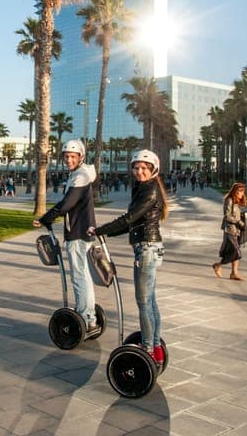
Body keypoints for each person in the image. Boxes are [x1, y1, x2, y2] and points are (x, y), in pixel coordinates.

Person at [89, 149, 167, 365]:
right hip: (148, 247)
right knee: (150, 301)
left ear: (152, 170)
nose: (139, 171)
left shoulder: (149, 191)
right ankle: (156, 348)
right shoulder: (145, 188)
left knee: (143, 301)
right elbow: (133, 223)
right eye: (136, 167)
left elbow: (129, 218)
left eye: (144, 168)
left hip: (147, 248)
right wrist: (105, 232)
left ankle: (149, 349)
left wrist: (101, 229)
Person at [33, 140, 98, 332]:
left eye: (72, 157)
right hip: (81, 230)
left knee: (79, 277)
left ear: (81, 157)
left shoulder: (80, 176)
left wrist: (46, 218)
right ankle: (89, 315)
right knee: (83, 276)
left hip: (78, 233)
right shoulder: (80, 174)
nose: (69, 160)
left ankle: (85, 316)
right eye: (66, 157)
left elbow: (67, 203)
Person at [213, 182, 247, 281]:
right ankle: (218, 265)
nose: (241, 194)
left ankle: (234, 273)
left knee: (234, 251)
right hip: (230, 229)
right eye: (239, 191)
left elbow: (235, 215)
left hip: (236, 230)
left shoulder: (237, 202)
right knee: (237, 252)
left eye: (242, 192)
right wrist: (239, 222)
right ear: (234, 191)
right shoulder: (229, 200)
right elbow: (227, 216)